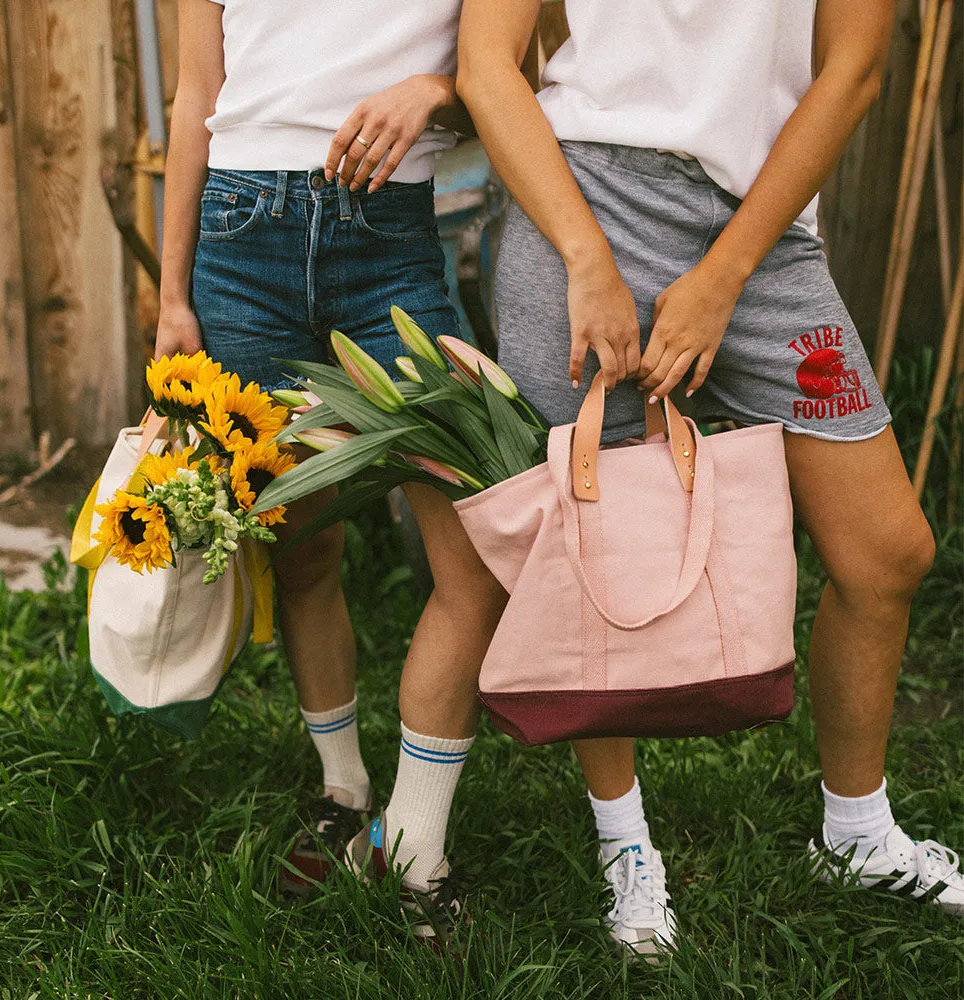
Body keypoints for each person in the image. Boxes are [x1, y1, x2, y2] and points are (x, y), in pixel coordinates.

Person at [452, 0, 964, 955]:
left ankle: (857, 834)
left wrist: (724, 277)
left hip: (760, 236)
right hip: (580, 207)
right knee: (595, 546)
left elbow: (853, 71)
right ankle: (626, 847)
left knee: (889, 550)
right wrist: (584, 256)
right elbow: (486, 62)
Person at [157, 0, 506, 940]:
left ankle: (414, 845)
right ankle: (343, 793)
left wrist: (433, 91)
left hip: (389, 243)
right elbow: (196, 94)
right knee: (299, 547)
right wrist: (172, 296)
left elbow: (510, 79)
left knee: (475, 556)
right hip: (239, 246)